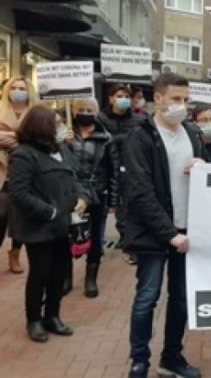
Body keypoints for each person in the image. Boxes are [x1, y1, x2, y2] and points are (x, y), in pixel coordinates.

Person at [124, 74, 204, 378]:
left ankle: (171, 357)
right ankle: (139, 361)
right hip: (154, 234)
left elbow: (205, 170)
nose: (182, 105)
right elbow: (140, 192)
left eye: (185, 100)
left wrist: (202, 167)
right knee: (147, 297)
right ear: (158, 99)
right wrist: (169, 233)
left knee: (181, 299)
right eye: (175, 99)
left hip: (187, 230)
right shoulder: (141, 137)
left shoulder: (192, 134)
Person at [8, 104, 89, 343]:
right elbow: (19, 193)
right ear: (42, 126)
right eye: (57, 123)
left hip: (63, 224)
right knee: (40, 273)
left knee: (59, 273)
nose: (62, 127)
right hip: (39, 226)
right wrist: (49, 212)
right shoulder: (23, 155)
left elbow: (76, 178)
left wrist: (82, 197)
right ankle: (34, 319)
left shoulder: (62, 150)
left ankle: (52, 315)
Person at [63, 98, 118, 298]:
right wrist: (62, 143)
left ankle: (91, 278)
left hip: (97, 193)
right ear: (73, 111)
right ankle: (66, 277)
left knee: (95, 238)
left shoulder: (106, 137)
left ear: (96, 113)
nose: (84, 113)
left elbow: (113, 170)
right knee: (65, 236)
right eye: (80, 109)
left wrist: (113, 200)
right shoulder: (64, 134)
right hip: (68, 192)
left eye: (89, 109)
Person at [98, 83, 145, 263]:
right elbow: (101, 141)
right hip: (108, 168)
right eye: (119, 96)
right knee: (109, 206)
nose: (123, 99)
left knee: (128, 207)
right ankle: (97, 245)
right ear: (111, 98)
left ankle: (129, 242)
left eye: (126, 96)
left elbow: (140, 140)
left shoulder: (139, 119)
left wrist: (117, 139)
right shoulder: (101, 119)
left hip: (131, 166)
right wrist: (122, 139)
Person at [0, 77, 34, 273]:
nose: (17, 91)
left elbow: (40, 136)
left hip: (26, 172)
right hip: (3, 171)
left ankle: (15, 254)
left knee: (21, 216)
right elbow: (27, 137)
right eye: (13, 88)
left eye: (22, 88)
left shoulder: (35, 112)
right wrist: (20, 137)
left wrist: (10, 137)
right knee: (2, 212)